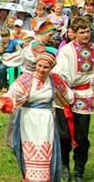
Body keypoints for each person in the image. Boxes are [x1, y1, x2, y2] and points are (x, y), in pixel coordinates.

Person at [0, 50, 74, 182]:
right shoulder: (27, 79)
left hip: (46, 121)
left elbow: (69, 99)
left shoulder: (54, 80)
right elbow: (13, 93)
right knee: (30, 151)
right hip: (29, 120)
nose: (41, 69)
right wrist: (0, 105)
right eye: (39, 65)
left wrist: (60, 88)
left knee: (46, 152)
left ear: (51, 68)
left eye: (46, 67)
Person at [53, 17, 93, 182]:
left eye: (87, 31)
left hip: (85, 98)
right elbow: (63, 76)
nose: (85, 35)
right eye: (82, 32)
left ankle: (79, 171)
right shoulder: (66, 51)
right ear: (74, 34)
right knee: (64, 136)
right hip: (65, 97)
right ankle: (63, 165)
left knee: (82, 137)